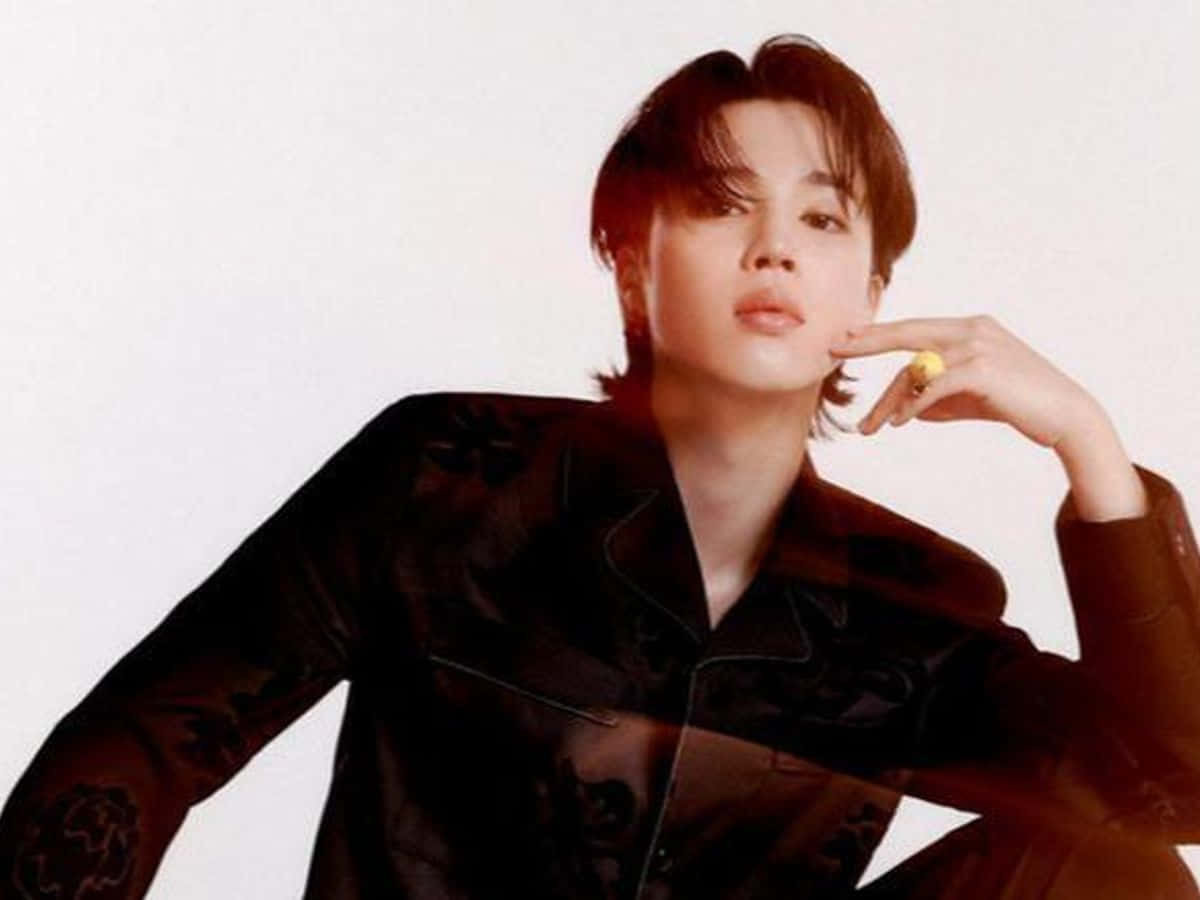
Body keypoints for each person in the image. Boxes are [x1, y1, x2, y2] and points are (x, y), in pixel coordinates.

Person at [2, 32, 1198, 900]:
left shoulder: (915, 600)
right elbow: (141, 746)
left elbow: (1173, 797)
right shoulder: (443, 478)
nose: (775, 248)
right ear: (632, 260)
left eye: (823, 219)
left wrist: (1090, 449)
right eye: (722, 205)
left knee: (1115, 875)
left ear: (872, 290)